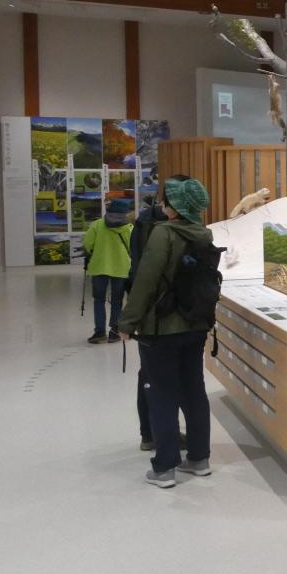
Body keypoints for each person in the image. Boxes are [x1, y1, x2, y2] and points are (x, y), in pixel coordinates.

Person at [118, 178, 216, 489]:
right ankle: (199, 459)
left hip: (161, 329)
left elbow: (146, 280)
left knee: (161, 393)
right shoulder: (204, 233)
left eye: (166, 201)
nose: (162, 205)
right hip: (196, 324)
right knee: (194, 391)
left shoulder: (164, 233)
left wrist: (127, 322)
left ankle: (164, 468)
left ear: (174, 207)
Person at [127, 175, 192, 451]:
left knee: (150, 375)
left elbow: (136, 270)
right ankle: (163, 437)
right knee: (164, 379)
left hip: (152, 312)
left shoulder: (145, 223)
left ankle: (150, 434)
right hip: (165, 311)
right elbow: (145, 274)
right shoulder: (161, 227)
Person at [82, 200, 133, 344]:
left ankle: (99, 332)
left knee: (99, 300)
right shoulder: (129, 228)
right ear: (125, 213)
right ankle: (115, 332)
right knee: (117, 301)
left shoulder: (97, 225)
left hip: (99, 267)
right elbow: (133, 248)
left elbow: (88, 244)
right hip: (121, 268)